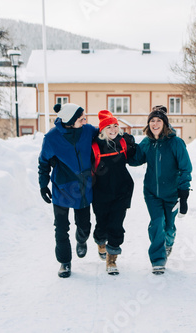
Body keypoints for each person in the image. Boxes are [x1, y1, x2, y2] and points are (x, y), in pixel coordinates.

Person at [129, 105, 192, 275]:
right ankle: (158, 259)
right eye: (152, 121)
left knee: (169, 226)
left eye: (158, 121)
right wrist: (128, 146)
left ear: (164, 124)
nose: (155, 124)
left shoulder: (176, 143)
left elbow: (186, 168)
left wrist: (184, 194)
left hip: (172, 193)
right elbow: (135, 160)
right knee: (157, 223)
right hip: (151, 192)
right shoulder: (147, 142)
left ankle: (168, 242)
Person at [38, 103, 98, 278]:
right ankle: (64, 262)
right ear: (70, 122)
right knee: (61, 228)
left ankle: (81, 240)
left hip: (83, 188)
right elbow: (43, 163)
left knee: (84, 226)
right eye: (81, 119)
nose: (85, 120)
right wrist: (43, 185)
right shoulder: (51, 138)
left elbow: (104, 132)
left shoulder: (87, 131)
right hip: (62, 188)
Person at [91, 110, 136, 275]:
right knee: (102, 226)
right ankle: (100, 242)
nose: (113, 130)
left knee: (116, 226)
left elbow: (136, 158)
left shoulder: (123, 143)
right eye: (108, 127)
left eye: (115, 126)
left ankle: (112, 260)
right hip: (100, 194)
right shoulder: (94, 146)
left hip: (121, 191)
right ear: (102, 130)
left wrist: (133, 146)